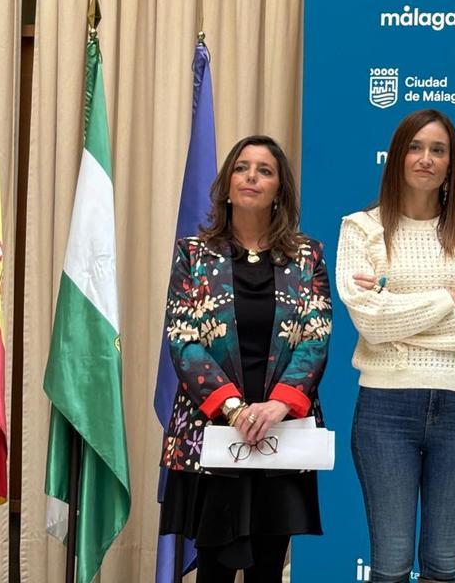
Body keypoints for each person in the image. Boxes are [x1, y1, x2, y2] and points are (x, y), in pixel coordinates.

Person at [337, 108, 455, 583]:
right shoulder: (361, 229)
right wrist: (446, 298)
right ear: (396, 157)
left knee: (444, 567)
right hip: (385, 408)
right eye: (415, 147)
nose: (425, 158)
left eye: (438, 150)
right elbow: (368, 321)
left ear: (452, 164)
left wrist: (396, 310)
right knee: (389, 565)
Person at [159, 135, 332, 583]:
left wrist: (277, 406)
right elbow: (183, 337)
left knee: (269, 569)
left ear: (280, 190)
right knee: (213, 567)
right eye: (242, 167)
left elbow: (316, 337)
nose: (252, 176)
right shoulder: (193, 255)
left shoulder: (306, 255)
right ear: (227, 183)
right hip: (214, 429)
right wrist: (234, 409)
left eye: (265, 170)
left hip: (283, 428)